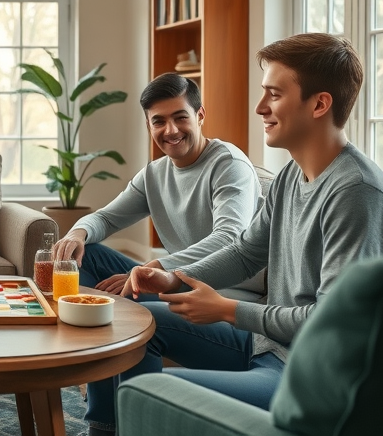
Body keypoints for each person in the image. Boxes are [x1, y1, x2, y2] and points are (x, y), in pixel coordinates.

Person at [84, 33, 383, 436]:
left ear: (320, 104)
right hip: (269, 347)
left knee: (151, 393)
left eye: (273, 94)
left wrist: (227, 310)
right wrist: (172, 279)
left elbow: (333, 323)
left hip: (318, 378)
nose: (260, 108)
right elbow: (244, 252)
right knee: (137, 326)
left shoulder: (357, 194)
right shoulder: (293, 174)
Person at [51, 73, 262, 434]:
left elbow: (230, 238)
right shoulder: (154, 174)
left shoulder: (229, 165)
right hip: (179, 280)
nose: (171, 130)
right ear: (149, 124)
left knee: (130, 318)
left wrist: (157, 266)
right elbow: (104, 216)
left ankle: (105, 423)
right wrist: (76, 232)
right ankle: (89, 375)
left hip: (233, 294)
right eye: (159, 121)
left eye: (180, 117)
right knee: (90, 253)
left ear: (200, 115)